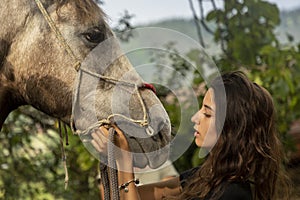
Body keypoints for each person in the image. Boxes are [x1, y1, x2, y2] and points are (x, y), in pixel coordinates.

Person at [91, 71, 291, 200]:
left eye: (207, 113)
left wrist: (125, 162)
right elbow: (143, 195)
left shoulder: (233, 194)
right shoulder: (205, 177)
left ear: (231, 127)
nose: (195, 117)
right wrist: (113, 155)